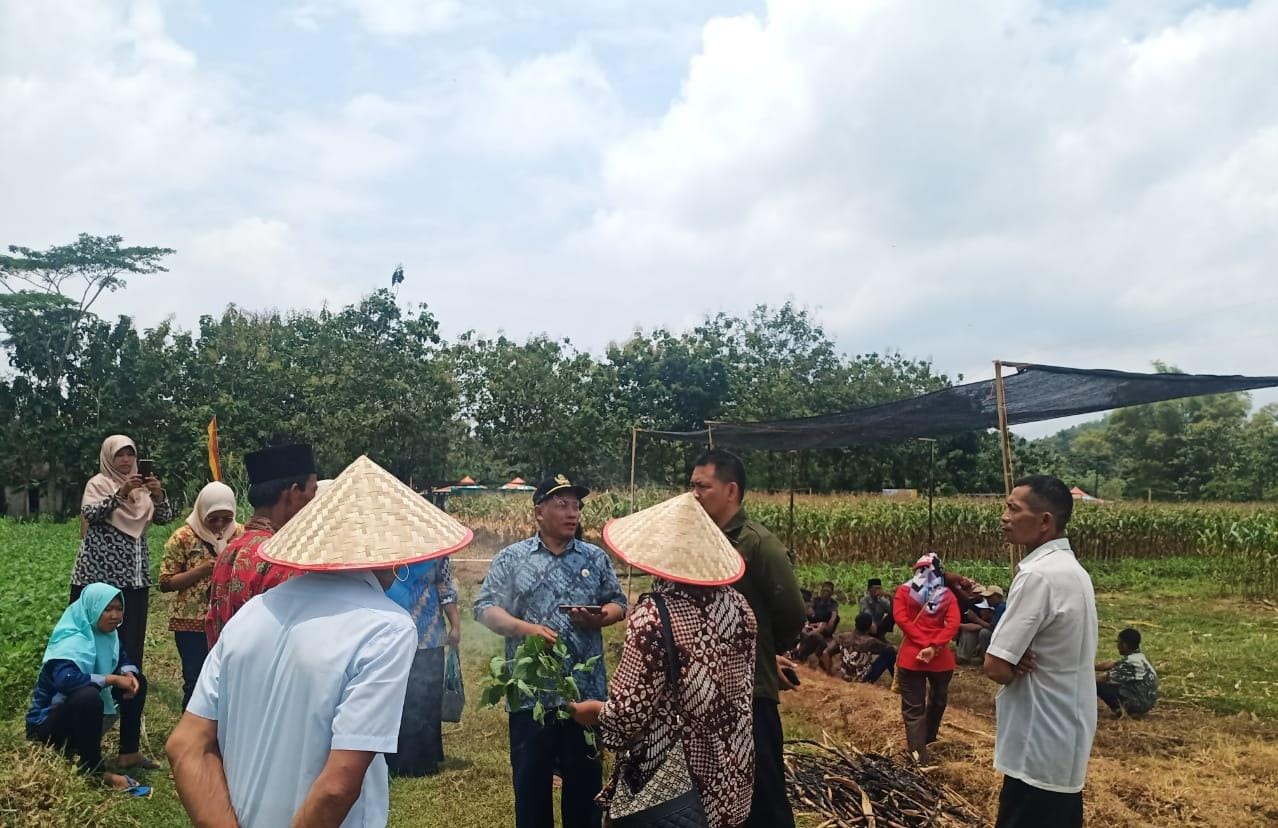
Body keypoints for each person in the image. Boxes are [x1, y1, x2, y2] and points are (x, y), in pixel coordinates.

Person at [166, 455, 473, 827]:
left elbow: (185, 746)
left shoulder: (253, 612)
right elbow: (336, 786)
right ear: (394, 554)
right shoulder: (386, 627)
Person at [572, 492, 757, 827]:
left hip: (673, 786)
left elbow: (628, 715)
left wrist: (594, 713)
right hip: (731, 772)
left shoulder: (653, 616)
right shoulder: (740, 606)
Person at [474, 474, 627, 828]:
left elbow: (619, 603)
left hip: (584, 697)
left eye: (576, 505)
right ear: (538, 511)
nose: (572, 513)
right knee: (531, 792)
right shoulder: (513, 559)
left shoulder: (595, 558)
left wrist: (599, 617)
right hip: (532, 696)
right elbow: (485, 609)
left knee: (585, 791)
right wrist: (527, 630)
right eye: (562, 504)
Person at [691, 449, 806, 828]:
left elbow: (791, 613)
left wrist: (764, 652)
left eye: (702, 486)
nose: (694, 494)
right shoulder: (698, 541)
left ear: (731, 490)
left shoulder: (757, 544)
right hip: (701, 690)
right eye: (691, 486)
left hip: (750, 691)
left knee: (763, 791)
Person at [984, 475, 1098, 828]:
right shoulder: (1074, 572)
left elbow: (995, 665)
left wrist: (1011, 663)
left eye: (1013, 509)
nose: (1004, 516)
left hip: (1036, 741)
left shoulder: (1038, 575)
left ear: (1045, 522)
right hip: (1065, 736)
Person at [27, 584, 151, 793]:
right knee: (87, 696)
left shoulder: (106, 634)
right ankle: (93, 769)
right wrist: (111, 679)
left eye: (119, 608)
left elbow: (120, 657)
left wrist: (128, 673)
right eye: (107, 609)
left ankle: (128, 752)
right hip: (48, 726)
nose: (115, 615)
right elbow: (67, 681)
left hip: (76, 719)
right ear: (92, 609)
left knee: (137, 680)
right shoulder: (70, 640)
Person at [71, 435, 173, 673]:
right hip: (103, 577)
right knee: (100, 635)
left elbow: (164, 518)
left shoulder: (142, 488)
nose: (126, 460)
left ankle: (128, 684)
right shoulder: (98, 484)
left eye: (130, 454)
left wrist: (158, 496)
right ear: (108, 457)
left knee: (132, 634)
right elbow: (91, 513)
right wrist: (120, 493)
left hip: (135, 576)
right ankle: (98, 685)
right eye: (120, 455)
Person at [205, 443, 317, 647]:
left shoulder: (230, 549)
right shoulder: (282, 558)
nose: (315, 503)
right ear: (293, 493)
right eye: (313, 492)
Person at [159, 481, 242, 708]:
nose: (219, 525)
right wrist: (201, 571)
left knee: (227, 680)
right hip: (191, 622)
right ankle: (192, 735)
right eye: (213, 518)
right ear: (201, 512)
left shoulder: (241, 535)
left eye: (226, 519)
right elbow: (166, 582)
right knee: (195, 681)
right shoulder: (183, 538)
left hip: (230, 620)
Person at [384, 556, 461, 776]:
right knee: (397, 698)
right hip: (390, 636)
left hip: (428, 634)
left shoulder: (437, 553)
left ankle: (423, 760)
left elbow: (445, 588)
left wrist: (455, 624)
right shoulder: (383, 546)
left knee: (426, 697)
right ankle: (392, 759)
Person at [893, 552, 960, 763]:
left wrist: (923, 644)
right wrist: (934, 646)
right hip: (940, 660)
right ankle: (929, 738)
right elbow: (953, 624)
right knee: (938, 700)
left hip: (912, 657)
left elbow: (901, 620)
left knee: (913, 710)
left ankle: (918, 755)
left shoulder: (903, 591)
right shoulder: (947, 595)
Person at [1096, 628, 1158, 719]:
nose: (1117, 646)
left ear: (1124, 645)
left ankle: (1121, 710)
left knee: (1099, 685)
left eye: (1118, 642)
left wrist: (1082, 679)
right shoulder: (1139, 658)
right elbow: (1110, 665)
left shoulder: (1129, 664)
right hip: (1146, 700)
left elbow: (1104, 678)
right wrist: (1089, 666)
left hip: (1139, 703)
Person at [821, 612, 897, 684]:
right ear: (870, 627)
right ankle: (898, 683)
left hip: (844, 676)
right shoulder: (871, 642)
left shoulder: (843, 637)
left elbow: (825, 653)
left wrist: (829, 674)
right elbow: (892, 649)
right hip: (862, 679)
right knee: (890, 654)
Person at [793, 581, 840, 663]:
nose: (825, 593)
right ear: (821, 590)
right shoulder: (816, 600)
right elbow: (809, 612)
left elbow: (834, 615)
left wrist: (831, 622)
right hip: (813, 623)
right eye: (824, 590)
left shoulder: (833, 604)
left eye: (827, 591)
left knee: (824, 625)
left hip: (824, 627)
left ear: (831, 593)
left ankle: (811, 636)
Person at [955, 599, 994, 665]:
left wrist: (976, 619)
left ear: (990, 611)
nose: (981, 612)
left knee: (981, 632)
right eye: (981, 609)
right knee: (966, 630)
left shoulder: (993, 621)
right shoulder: (983, 620)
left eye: (983, 610)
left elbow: (976, 627)